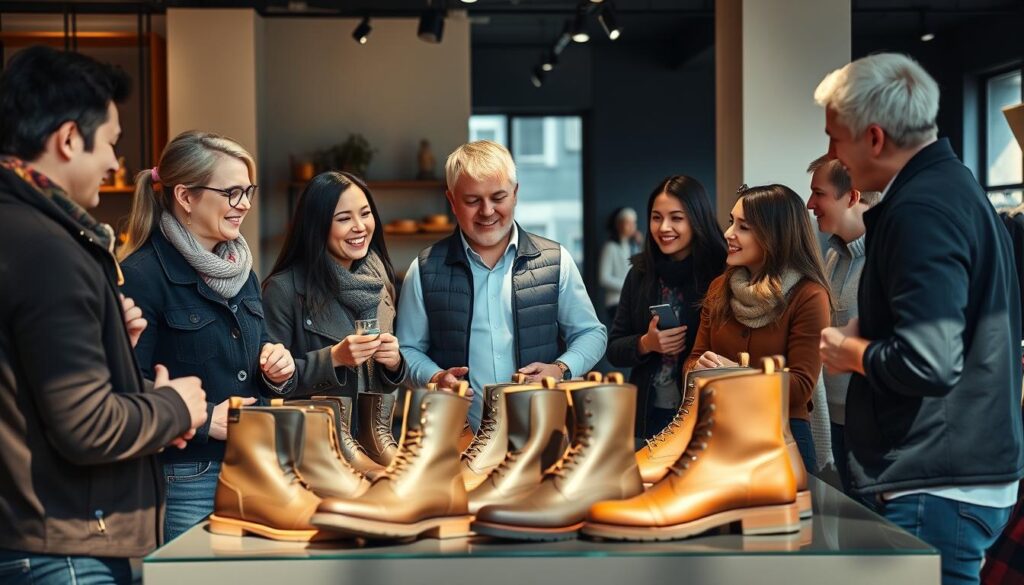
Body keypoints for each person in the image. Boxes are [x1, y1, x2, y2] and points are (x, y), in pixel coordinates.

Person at [0, 46, 207, 583]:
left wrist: (112, 343)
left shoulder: (22, 232)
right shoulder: (47, 248)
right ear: (69, 139)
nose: (117, 164)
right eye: (111, 143)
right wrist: (173, 407)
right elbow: (86, 426)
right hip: (61, 545)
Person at [816, 53, 1023, 585]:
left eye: (836, 138)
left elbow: (930, 361)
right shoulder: (953, 189)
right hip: (950, 476)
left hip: (936, 483)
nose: (833, 154)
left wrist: (851, 352)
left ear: (876, 138)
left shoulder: (922, 210)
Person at [118, 130, 297, 542]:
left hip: (256, 465)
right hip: (186, 476)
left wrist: (276, 367)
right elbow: (126, 387)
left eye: (248, 191)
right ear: (185, 197)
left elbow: (258, 349)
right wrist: (200, 422)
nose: (246, 205)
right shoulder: (142, 277)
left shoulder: (243, 273)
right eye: (233, 192)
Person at [397, 140, 607, 429]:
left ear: (515, 194)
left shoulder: (556, 260)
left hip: (543, 433)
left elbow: (591, 333)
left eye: (498, 197)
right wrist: (434, 376)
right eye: (472, 201)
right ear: (452, 202)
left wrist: (561, 369)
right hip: (457, 438)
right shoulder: (423, 270)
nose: (487, 211)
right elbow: (406, 350)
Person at [686, 184, 831, 472]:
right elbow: (693, 360)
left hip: (782, 442)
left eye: (744, 227)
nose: (728, 234)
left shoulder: (809, 295)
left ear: (774, 235)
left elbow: (801, 387)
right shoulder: (719, 288)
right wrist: (698, 366)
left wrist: (734, 376)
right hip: (719, 434)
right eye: (731, 222)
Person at [263, 171, 406, 398]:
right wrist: (333, 359)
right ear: (316, 226)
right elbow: (269, 384)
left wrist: (395, 364)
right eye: (344, 218)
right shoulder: (283, 289)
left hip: (375, 431)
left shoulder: (380, 279)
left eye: (365, 214)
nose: (360, 226)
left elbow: (382, 383)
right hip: (318, 431)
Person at [606, 176, 726, 441]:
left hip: (706, 410)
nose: (664, 227)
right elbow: (614, 347)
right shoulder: (640, 273)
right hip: (650, 410)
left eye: (676, 218)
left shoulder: (721, 273)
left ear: (697, 219)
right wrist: (646, 343)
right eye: (656, 217)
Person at [806, 154, 881, 491]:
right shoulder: (834, 252)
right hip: (835, 418)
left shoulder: (886, 255)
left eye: (818, 194)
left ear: (851, 196)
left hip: (874, 423)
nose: (810, 203)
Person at [598, 206, 642, 322]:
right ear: (619, 225)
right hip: (615, 302)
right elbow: (604, 278)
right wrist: (627, 286)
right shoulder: (610, 247)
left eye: (634, 223)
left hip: (633, 301)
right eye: (628, 223)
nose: (632, 226)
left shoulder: (634, 247)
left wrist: (641, 244)